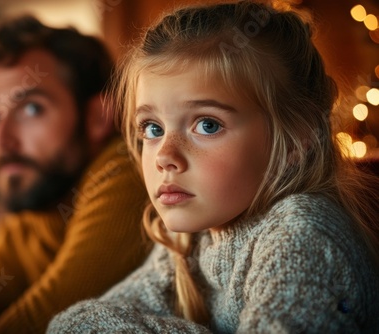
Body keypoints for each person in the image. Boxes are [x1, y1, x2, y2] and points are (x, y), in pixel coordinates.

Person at [47, 1, 379, 333]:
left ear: (295, 140)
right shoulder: (190, 241)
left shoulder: (305, 233)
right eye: (152, 128)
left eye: (207, 125)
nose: (165, 156)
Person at [0, 15, 152, 333]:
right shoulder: (36, 202)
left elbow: (56, 315)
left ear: (97, 117)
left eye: (31, 109)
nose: (2, 140)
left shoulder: (125, 170)